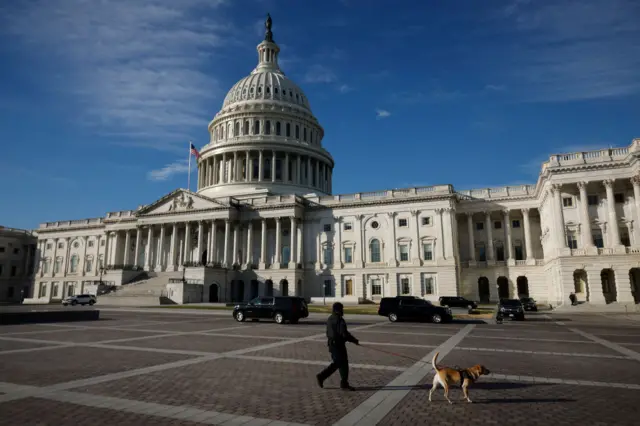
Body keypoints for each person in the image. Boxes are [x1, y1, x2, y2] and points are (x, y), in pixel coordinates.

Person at [316, 302, 359, 391]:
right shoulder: (339, 320)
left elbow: (328, 332)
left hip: (332, 344)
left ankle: (344, 383)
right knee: (340, 363)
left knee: (341, 363)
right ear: (339, 310)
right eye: (342, 309)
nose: (343, 311)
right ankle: (321, 376)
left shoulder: (330, 318)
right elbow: (344, 334)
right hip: (338, 345)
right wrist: (354, 340)